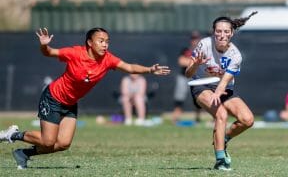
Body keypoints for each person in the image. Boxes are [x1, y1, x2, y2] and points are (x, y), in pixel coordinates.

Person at [0, 27, 170, 169]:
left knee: (63, 144)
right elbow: (49, 52)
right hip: (53, 98)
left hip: (70, 104)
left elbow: (129, 67)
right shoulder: (75, 53)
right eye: (101, 40)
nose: (105, 44)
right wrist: (44, 46)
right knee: (48, 140)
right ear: (89, 42)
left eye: (107, 41)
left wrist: (149, 70)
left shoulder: (108, 59)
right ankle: (13, 134)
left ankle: (23, 153)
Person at [185, 12, 257, 171]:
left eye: (226, 31)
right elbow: (188, 74)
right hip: (201, 85)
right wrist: (195, 65)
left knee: (248, 120)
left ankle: (223, 138)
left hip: (223, 87)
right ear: (213, 31)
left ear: (231, 33)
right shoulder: (204, 44)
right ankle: (220, 160)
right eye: (219, 31)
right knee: (221, 114)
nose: (222, 35)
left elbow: (225, 81)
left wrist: (218, 92)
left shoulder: (235, 55)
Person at [172, 31, 202, 123]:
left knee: (199, 99)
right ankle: (175, 119)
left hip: (196, 77)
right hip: (184, 77)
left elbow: (203, 62)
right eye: (193, 38)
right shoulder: (185, 50)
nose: (194, 40)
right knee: (179, 98)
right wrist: (195, 62)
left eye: (196, 38)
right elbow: (181, 61)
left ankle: (197, 119)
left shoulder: (203, 50)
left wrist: (190, 61)